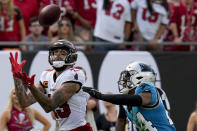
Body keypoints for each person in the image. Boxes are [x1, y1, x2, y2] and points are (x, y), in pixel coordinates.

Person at [9, 40, 93, 131]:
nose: (57, 55)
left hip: (80, 129)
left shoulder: (75, 74)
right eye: (55, 52)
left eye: (63, 53)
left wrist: (31, 86)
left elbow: (49, 106)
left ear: (72, 57)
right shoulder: (47, 75)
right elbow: (24, 102)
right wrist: (16, 77)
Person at [83, 61, 176, 131]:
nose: (124, 81)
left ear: (140, 78)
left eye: (128, 77)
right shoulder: (127, 99)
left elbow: (137, 100)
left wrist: (102, 96)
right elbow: (121, 121)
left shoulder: (149, 90)